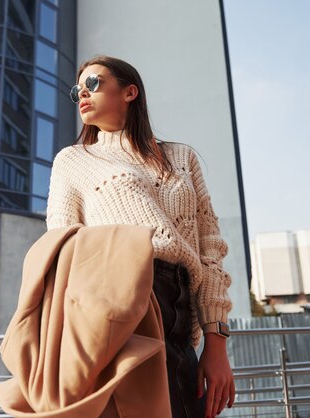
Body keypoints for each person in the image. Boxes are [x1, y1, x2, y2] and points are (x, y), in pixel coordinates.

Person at [45, 54, 236, 418]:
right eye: (77, 90)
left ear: (130, 91)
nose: (82, 94)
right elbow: (61, 245)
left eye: (94, 83)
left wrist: (216, 341)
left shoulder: (181, 158)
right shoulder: (73, 160)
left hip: (177, 305)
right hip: (112, 300)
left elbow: (210, 249)